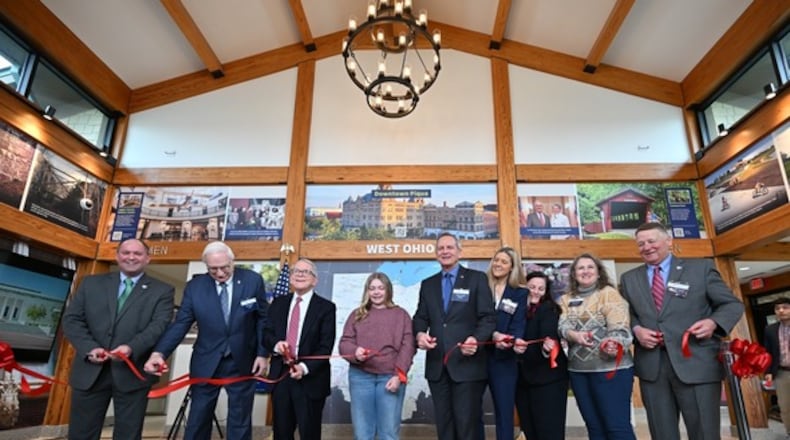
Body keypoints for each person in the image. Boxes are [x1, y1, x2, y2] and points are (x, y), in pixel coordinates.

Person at [619, 222, 744, 440]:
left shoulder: (700, 268)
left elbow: (731, 305)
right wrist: (636, 329)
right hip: (653, 369)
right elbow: (626, 314)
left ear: (669, 241)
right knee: (661, 433)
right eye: (641, 244)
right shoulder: (629, 279)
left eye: (652, 241)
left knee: (704, 433)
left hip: (696, 362)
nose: (646, 247)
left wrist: (713, 322)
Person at [144, 241, 268, 440]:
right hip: (206, 361)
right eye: (213, 269)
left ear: (233, 261)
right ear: (206, 266)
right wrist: (159, 353)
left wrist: (262, 354)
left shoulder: (252, 280)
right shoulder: (195, 287)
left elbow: (263, 320)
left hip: (243, 360)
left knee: (240, 418)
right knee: (198, 418)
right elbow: (181, 323)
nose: (220, 273)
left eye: (225, 267)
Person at [62, 238, 175, 440]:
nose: (131, 257)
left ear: (147, 259)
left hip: (133, 373)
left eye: (137, 253)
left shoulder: (163, 291)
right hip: (90, 372)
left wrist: (131, 347)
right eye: (126, 252)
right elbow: (72, 320)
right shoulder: (90, 283)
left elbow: (158, 326)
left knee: (128, 435)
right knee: (81, 434)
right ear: (117, 256)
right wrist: (90, 348)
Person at [412, 232, 496, 440]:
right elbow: (420, 317)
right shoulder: (428, 284)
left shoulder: (476, 279)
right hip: (437, 367)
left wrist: (475, 339)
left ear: (459, 251)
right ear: (436, 254)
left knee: (466, 425)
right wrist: (420, 334)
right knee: (444, 425)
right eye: (441, 248)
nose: (445, 251)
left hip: (467, 365)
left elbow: (488, 318)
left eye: (449, 247)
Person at [558, 253, 636, 440]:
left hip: (611, 370)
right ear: (574, 274)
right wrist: (573, 335)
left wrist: (613, 343)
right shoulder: (566, 299)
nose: (585, 271)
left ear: (599, 272)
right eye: (580, 268)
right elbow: (562, 326)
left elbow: (620, 327)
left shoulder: (609, 294)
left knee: (617, 427)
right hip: (578, 371)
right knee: (594, 427)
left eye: (590, 267)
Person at [263, 258, 336, 440]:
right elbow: (266, 334)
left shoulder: (326, 308)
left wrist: (303, 368)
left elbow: (325, 346)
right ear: (290, 277)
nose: (300, 275)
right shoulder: (278, 303)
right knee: (281, 433)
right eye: (296, 271)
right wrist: (276, 345)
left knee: (309, 434)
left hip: (311, 379)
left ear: (315, 280)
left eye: (306, 272)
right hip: (281, 376)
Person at [339, 272, 416, 440]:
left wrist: (399, 375)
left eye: (381, 288)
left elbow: (408, 347)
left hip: (390, 377)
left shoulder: (401, 315)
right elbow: (345, 342)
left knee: (388, 433)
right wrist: (355, 352)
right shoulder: (357, 314)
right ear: (367, 291)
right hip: (360, 377)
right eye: (372, 288)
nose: (376, 292)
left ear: (388, 290)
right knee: (362, 433)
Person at [514, 271, 569, 440]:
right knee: (530, 430)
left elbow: (548, 336)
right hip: (523, 381)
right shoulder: (518, 310)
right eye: (531, 287)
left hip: (548, 381)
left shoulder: (549, 309)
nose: (535, 292)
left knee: (549, 432)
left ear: (546, 292)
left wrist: (546, 349)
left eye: (540, 288)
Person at [481, 246, 527, 440]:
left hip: (504, 360)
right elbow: (472, 319)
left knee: (504, 412)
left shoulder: (520, 293)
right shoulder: (481, 286)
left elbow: (519, 323)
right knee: (472, 410)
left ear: (512, 267)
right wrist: (493, 335)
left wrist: (511, 340)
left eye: (504, 261)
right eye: (496, 260)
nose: (498, 264)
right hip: (478, 357)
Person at [763, 297, 790, 437]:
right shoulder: (770, 329)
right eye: (777, 308)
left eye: (785, 307)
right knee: (785, 406)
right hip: (781, 372)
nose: (781, 311)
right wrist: (768, 371)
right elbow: (768, 352)